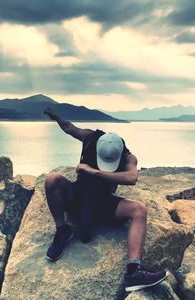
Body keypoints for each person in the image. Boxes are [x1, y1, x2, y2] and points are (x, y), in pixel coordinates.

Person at [43, 107, 167, 292]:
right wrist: (55, 116)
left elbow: (131, 178)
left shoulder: (128, 156)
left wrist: (93, 171)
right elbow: (69, 127)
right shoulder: (90, 137)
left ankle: (134, 271)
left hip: (103, 202)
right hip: (77, 194)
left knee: (139, 210)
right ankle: (62, 230)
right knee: (51, 179)